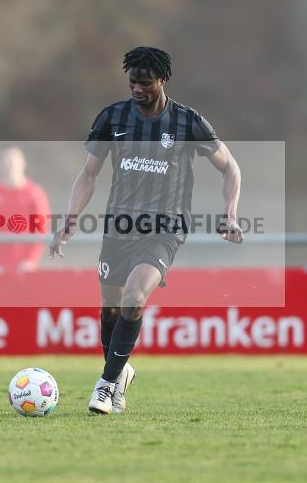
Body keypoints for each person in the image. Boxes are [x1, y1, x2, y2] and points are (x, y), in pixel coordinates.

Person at [48, 47, 243, 414]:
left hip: (164, 230)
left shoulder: (187, 123)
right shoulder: (112, 118)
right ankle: (120, 373)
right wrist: (69, 219)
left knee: (135, 298)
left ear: (162, 80)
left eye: (145, 83)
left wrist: (230, 214)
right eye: (132, 82)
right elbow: (89, 174)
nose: (137, 89)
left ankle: (105, 386)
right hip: (118, 228)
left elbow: (230, 167)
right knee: (111, 311)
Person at [0, 147, 51, 272]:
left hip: (24, 267)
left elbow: (41, 231)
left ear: (23, 164)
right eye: (6, 162)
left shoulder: (35, 194)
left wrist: (31, 260)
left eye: (13, 162)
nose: (9, 166)